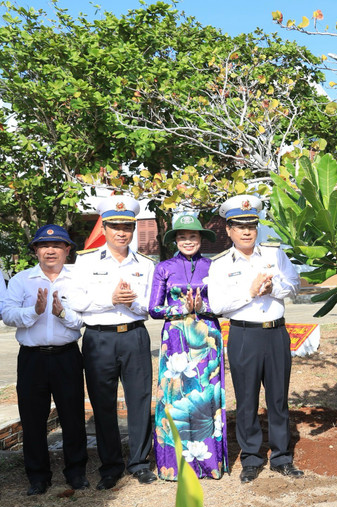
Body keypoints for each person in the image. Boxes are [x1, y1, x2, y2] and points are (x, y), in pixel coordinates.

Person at [207, 195, 302, 483]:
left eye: (252, 224)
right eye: (239, 226)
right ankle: (250, 458)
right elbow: (218, 305)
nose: (247, 231)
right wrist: (249, 292)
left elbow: (295, 285)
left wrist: (273, 289)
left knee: (278, 398)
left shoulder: (274, 254)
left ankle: (281, 457)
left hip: (275, 333)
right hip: (244, 334)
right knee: (246, 400)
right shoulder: (221, 263)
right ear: (228, 230)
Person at [69, 197, 156, 490]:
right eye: (115, 226)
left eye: (127, 227)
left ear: (133, 229)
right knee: (103, 404)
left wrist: (132, 303)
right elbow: (77, 302)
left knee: (140, 400)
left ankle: (140, 462)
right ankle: (110, 466)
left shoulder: (145, 264)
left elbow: (151, 306)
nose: (121, 232)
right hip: (99, 339)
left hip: (134, 335)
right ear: (104, 228)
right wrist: (110, 299)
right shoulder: (85, 261)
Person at [2, 225, 87, 495]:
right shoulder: (21, 280)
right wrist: (35, 311)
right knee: (33, 419)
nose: (51, 251)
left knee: (73, 417)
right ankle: (38, 477)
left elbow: (85, 319)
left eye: (58, 246)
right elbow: (7, 314)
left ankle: (76, 473)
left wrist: (62, 314)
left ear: (67, 250)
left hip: (67, 357)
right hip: (32, 359)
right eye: (44, 246)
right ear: (36, 251)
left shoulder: (78, 279)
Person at [149, 214, 227, 480]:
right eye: (182, 237)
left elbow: (226, 303)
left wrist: (203, 308)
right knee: (176, 396)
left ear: (201, 239)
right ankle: (175, 465)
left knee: (207, 395)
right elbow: (153, 308)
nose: (187, 241)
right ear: (176, 240)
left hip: (208, 338)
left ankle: (209, 463)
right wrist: (179, 308)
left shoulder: (214, 267)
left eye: (192, 236)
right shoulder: (164, 268)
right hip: (175, 339)